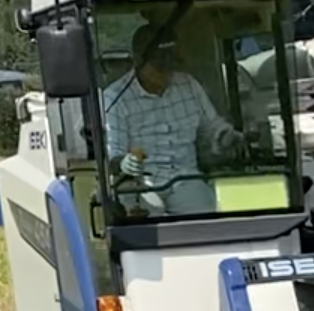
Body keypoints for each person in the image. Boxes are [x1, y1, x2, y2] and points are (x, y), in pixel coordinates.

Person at [100, 21, 246, 216]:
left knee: (210, 218)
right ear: (137, 61)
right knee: (145, 222)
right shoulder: (115, 98)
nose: (167, 73)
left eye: (171, 64)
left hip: (185, 178)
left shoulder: (188, 85)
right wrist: (123, 163)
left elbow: (212, 126)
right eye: (159, 66)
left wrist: (227, 136)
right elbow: (112, 153)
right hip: (140, 182)